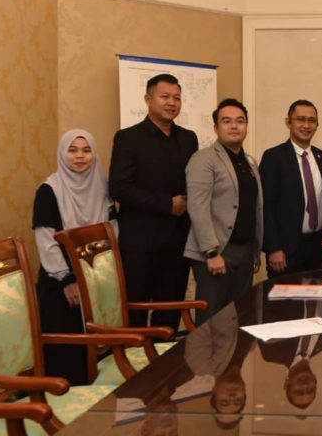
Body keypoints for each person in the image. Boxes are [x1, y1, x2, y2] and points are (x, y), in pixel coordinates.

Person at [109, 73, 198, 330]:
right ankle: (135, 357)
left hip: (177, 243)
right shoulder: (128, 138)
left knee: (168, 316)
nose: (171, 103)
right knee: (135, 316)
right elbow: (119, 188)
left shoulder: (188, 139)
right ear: (148, 99)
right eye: (165, 97)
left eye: (177, 98)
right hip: (139, 245)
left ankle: (166, 357)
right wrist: (166, 204)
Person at [33, 129, 116, 385]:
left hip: (95, 272)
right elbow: (46, 240)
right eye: (72, 150)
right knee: (66, 351)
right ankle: (63, 395)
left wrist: (103, 268)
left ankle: (97, 394)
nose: (80, 156)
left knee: (99, 346)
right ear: (62, 154)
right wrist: (66, 279)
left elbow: (112, 229)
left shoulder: (102, 187)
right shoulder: (48, 190)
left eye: (86, 150)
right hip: (62, 280)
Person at [184, 98, 263, 325]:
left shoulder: (249, 162)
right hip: (217, 253)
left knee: (240, 319)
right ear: (216, 127)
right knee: (212, 321)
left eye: (240, 121)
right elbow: (197, 207)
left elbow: (254, 207)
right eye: (227, 121)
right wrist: (211, 252)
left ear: (246, 126)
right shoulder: (204, 159)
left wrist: (254, 252)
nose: (234, 126)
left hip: (244, 252)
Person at [259, 100, 322, 278]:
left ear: (317, 125)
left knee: (320, 296)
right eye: (300, 119)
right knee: (285, 297)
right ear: (288, 122)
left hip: (318, 249)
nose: (306, 125)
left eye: (311, 120)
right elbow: (266, 206)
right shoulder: (273, 157)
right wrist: (273, 248)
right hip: (285, 251)